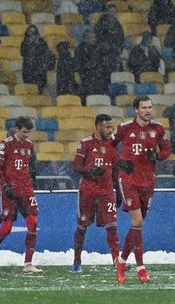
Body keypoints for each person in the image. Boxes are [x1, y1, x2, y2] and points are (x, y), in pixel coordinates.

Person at [113, 96, 171, 284]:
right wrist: (120, 162)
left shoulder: (158, 129)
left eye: (150, 107)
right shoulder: (125, 128)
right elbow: (108, 146)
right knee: (137, 221)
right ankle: (141, 268)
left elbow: (167, 150)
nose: (148, 110)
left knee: (137, 226)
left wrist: (158, 155)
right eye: (144, 107)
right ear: (135, 110)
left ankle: (121, 261)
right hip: (129, 179)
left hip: (148, 181)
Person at [0, 117, 41, 273]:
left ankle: (28, 263)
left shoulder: (29, 146)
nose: (26, 135)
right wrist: (5, 185)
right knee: (6, 227)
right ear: (17, 129)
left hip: (26, 189)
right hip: (10, 190)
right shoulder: (5, 144)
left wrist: (33, 175)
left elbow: (32, 164)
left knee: (33, 222)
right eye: (24, 132)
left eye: (28, 132)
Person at [72, 114, 121, 273]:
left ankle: (116, 261)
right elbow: (76, 167)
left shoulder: (112, 145)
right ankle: (77, 260)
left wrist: (119, 192)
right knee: (82, 227)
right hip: (88, 192)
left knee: (112, 227)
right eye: (108, 127)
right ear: (99, 126)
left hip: (106, 193)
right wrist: (90, 170)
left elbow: (116, 170)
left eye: (111, 127)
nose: (110, 130)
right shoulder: (85, 144)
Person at [20, 25, 55, 93]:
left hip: (39, 74)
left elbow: (47, 56)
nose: (31, 36)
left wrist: (37, 44)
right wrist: (30, 43)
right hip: (28, 73)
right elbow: (23, 53)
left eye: (33, 33)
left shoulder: (42, 44)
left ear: (37, 34)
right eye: (28, 34)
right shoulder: (25, 44)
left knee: (39, 92)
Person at [75, 30, 110, 97]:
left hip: (95, 79)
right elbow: (79, 65)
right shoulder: (81, 49)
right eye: (92, 37)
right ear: (86, 38)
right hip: (88, 79)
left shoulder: (95, 48)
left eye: (95, 37)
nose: (95, 39)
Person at [94, 5, 125, 71]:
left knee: (117, 63)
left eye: (114, 11)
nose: (113, 13)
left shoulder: (117, 23)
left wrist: (119, 46)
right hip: (104, 48)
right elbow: (98, 35)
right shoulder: (101, 22)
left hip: (115, 48)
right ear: (107, 12)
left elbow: (121, 36)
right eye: (111, 11)